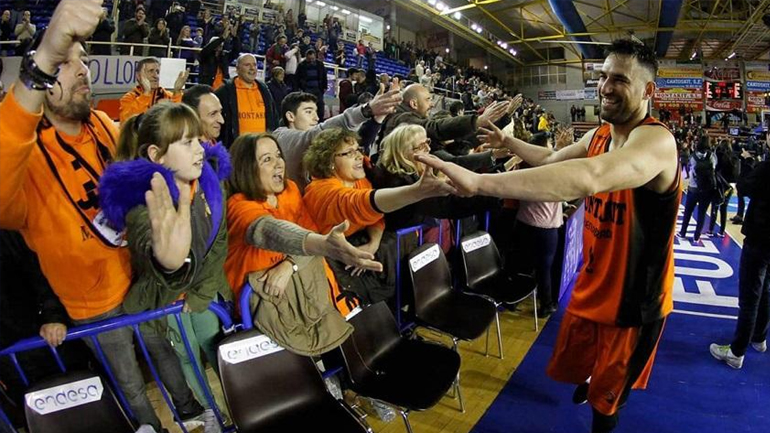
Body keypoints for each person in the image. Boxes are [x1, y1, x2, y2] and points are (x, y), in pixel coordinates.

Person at [416, 39, 680, 433]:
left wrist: (481, 181)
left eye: (619, 79)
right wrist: (510, 143)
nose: (605, 86)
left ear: (648, 91)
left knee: (606, 407)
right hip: (594, 288)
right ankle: (594, 383)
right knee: (581, 369)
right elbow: (553, 160)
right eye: (603, 76)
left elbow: (591, 178)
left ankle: (604, 405)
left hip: (632, 305)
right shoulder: (599, 136)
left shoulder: (656, 141)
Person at [0, 2, 207, 430]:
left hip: (138, 280)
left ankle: (194, 415)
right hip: (90, 304)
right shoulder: (23, 159)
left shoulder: (102, 126)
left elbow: (153, 153)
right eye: (65, 64)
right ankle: (150, 428)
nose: (81, 70)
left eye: (83, 62)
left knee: (163, 353)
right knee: (128, 381)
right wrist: (41, 62)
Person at [100, 102, 231, 433]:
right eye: (186, 143)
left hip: (199, 294)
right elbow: (148, 242)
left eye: (197, 139)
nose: (198, 149)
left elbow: (219, 244)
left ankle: (233, 405)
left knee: (215, 350)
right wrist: (171, 265)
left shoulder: (211, 183)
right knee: (180, 358)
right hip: (160, 303)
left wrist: (200, 292)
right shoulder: (142, 203)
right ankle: (204, 413)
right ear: (157, 155)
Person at [224, 133, 382, 353]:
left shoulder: (290, 190)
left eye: (278, 155)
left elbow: (309, 231)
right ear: (246, 168)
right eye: (266, 159)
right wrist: (322, 245)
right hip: (268, 315)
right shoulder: (238, 206)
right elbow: (270, 232)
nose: (279, 163)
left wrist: (290, 264)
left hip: (313, 298)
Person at [302, 128, 455, 305]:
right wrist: (415, 192)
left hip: (362, 253)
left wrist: (372, 245)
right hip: (330, 262)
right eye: (349, 153)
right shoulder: (319, 191)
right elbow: (357, 204)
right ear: (329, 161)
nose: (359, 156)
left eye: (358, 149)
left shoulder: (360, 179)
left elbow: (376, 217)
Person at [273, 88, 401, 191]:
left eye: (316, 112)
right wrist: (366, 110)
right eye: (308, 112)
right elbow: (315, 134)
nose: (316, 118)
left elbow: (356, 143)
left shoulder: (315, 142)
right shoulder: (281, 136)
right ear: (290, 116)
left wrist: (377, 118)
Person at [709, 158, 770, 368]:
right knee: (766, 290)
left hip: (760, 237)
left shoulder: (767, 166)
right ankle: (759, 338)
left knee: (749, 298)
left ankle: (736, 352)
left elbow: (743, 186)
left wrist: (747, 164)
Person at [214, 53, 280, 148]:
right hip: (237, 149)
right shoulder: (225, 92)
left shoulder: (264, 90)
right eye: (247, 65)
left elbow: (274, 118)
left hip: (262, 148)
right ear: (237, 69)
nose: (252, 68)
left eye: (254, 65)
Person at [120, 57, 188, 122]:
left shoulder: (167, 95)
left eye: (157, 72)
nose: (156, 76)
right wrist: (146, 94)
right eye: (151, 71)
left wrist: (177, 92)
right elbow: (128, 122)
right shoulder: (129, 98)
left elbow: (181, 119)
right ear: (138, 76)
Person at [679, 136, 717, 242]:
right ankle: (696, 236)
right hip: (707, 189)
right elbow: (714, 169)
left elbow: (691, 170)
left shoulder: (693, 157)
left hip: (693, 188)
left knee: (688, 212)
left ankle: (682, 232)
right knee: (702, 213)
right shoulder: (712, 156)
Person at [296, 49, 328, 121]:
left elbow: (324, 76)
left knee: (320, 106)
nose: (311, 60)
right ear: (306, 57)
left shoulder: (320, 64)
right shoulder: (301, 65)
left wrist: (325, 86)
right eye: (309, 59)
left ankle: (320, 121)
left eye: (312, 59)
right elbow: (297, 78)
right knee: (308, 106)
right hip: (307, 89)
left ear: (315, 57)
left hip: (318, 89)